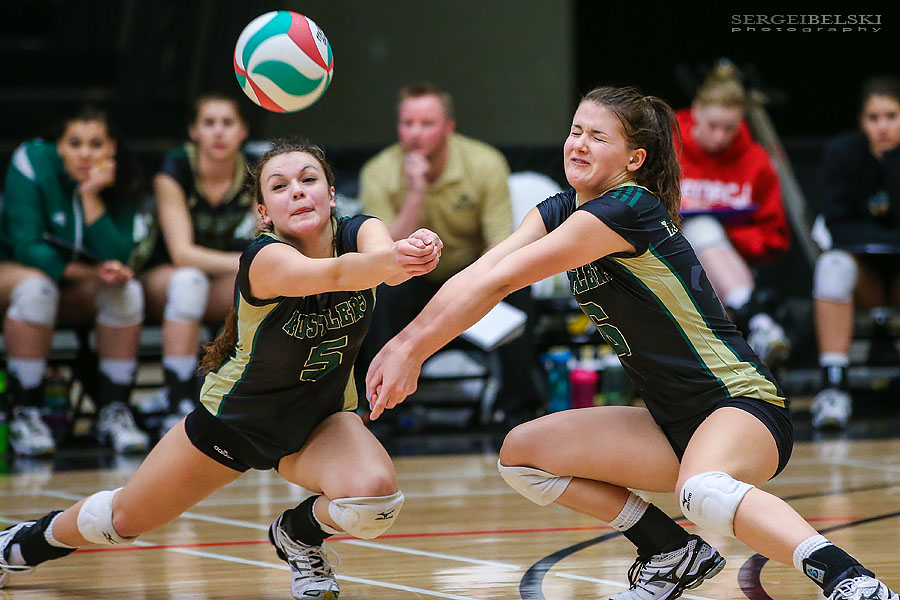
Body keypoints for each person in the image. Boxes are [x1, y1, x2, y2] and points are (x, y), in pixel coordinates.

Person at [366, 87, 898, 600]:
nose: (578, 144)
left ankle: (850, 579)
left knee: (705, 490)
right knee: (522, 457)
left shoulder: (627, 209)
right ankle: (670, 551)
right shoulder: (558, 210)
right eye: (575, 130)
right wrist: (402, 343)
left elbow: (503, 282)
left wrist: (413, 350)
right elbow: (482, 272)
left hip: (741, 407)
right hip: (669, 422)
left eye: (598, 137)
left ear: (634, 158)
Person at [0, 140, 443, 598]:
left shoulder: (362, 231)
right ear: (263, 212)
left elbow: (383, 261)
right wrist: (393, 260)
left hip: (320, 419)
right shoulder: (264, 258)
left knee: (375, 500)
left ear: (332, 196)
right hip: (234, 422)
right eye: (280, 186)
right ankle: (25, 543)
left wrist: (412, 251)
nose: (297, 191)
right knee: (124, 519)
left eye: (309, 180)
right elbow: (339, 274)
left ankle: (297, 535)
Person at [358, 81, 539, 423]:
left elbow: (501, 244)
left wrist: (474, 287)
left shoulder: (485, 163)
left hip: (470, 272)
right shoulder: (377, 172)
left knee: (519, 284)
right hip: (408, 277)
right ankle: (380, 410)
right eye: (407, 123)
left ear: (448, 127)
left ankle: (518, 411)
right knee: (377, 291)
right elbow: (381, 256)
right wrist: (416, 193)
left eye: (426, 124)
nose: (415, 133)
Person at [0, 106, 150, 456]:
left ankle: (113, 411)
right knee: (37, 289)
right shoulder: (31, 161)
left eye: (96, 144)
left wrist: (90, 196)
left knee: (126, 291)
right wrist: (90, 273)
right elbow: (27, 247)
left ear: (111, 148)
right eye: (75, 143)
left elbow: (119, 254)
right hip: (14, 273)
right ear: (59, 147)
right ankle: (27, 411)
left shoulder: (123, 177)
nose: (85, 153)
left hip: (72, 288)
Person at [140, 94, 257, 432]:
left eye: (228, 123)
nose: (218, 132)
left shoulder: (254, 171)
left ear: (243, 131)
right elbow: (182, 253)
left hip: (216, 278)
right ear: (193, 131)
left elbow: (265, 240)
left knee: (257, 284)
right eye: (209, 123)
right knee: (188, 281)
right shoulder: (174, 169)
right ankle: (177, 400)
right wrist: (245, 261)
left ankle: (241, 396)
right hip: (161, 276)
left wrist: (255, 263)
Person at [677, 63, 791, 365]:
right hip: (667, 257)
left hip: (731, 263)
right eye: (713, 125)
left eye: (730, 128)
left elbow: (773, 236)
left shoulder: (755, 160)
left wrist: (725, 235)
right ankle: (758, 320)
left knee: (706, 238)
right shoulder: (666, 144)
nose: (719, 137)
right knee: (701, 229)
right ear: (697, 109)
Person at [810, 76, 900, 430]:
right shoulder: (841, 153)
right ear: (862, 121)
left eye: (891, 116)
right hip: (865, 276)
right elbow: (835, 224)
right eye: (873, 118)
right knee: (831, 266)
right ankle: (834, 388)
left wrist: (890, 163)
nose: (882, 126)